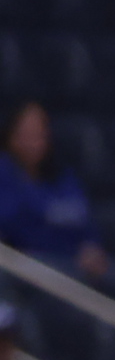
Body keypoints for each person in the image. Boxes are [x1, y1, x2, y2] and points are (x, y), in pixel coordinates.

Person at [0, 101, 105, 275]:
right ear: (11, 136)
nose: (34, 141)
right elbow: (16, 227)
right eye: (27, 133)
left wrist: (91, 247)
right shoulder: (4, 174)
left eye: (39, 133)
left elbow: (84, 220)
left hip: (73, 266)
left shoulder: (62, 176)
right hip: (25, 271)